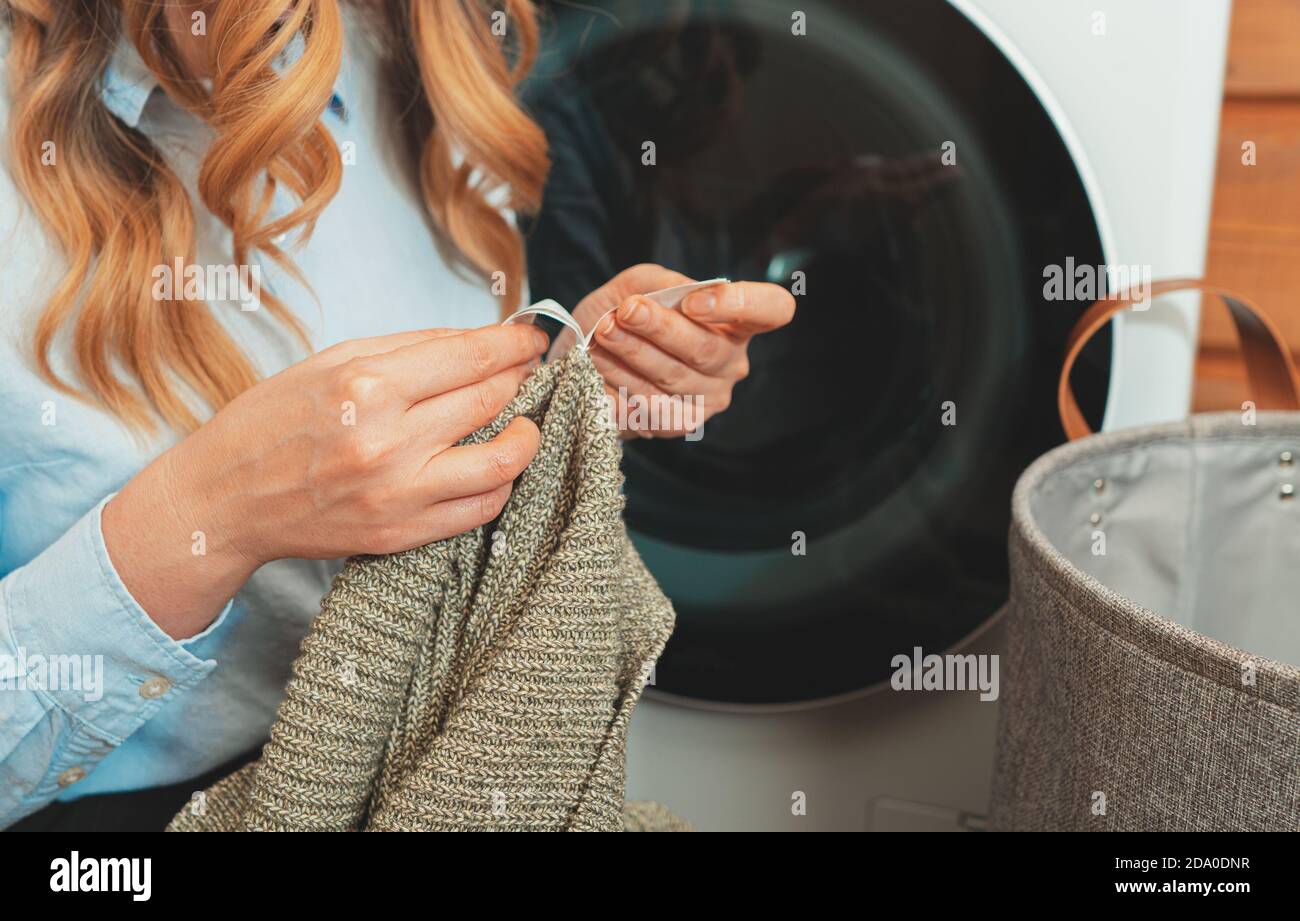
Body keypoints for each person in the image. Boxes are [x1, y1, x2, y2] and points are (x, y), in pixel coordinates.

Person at [0, 0, 794, 830]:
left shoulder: (415, 44)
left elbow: (441, 459)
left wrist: (569, 388)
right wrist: (212, 515)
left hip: (430, 768)